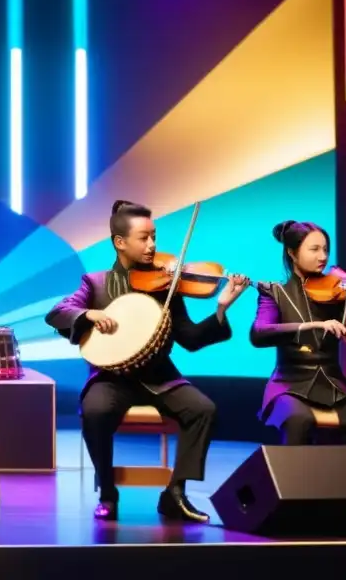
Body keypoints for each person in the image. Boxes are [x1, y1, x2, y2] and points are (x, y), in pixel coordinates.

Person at [45, 200, 250, 523]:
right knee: (95, 411)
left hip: (160, 375)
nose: (153, 245)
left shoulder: (168, 284)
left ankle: (175, 493)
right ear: (120, 242)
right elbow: (57, 314)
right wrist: (89, 314)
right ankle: (108, 492)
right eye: (144, 238)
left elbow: (191, 339)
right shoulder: (95, 283)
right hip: (111, 377)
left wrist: (221, 310)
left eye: (154, 236)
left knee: (203, 409)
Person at [249, 220, 346, 445]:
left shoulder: (337, 291)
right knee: (298, 419)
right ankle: (291, 479)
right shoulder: (274, 291)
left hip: (332, 385)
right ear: (292, 253)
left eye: (325, 250)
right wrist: (313, 325)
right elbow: (259, 333)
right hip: (289, 386)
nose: (323, 256)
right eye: (314, 249)